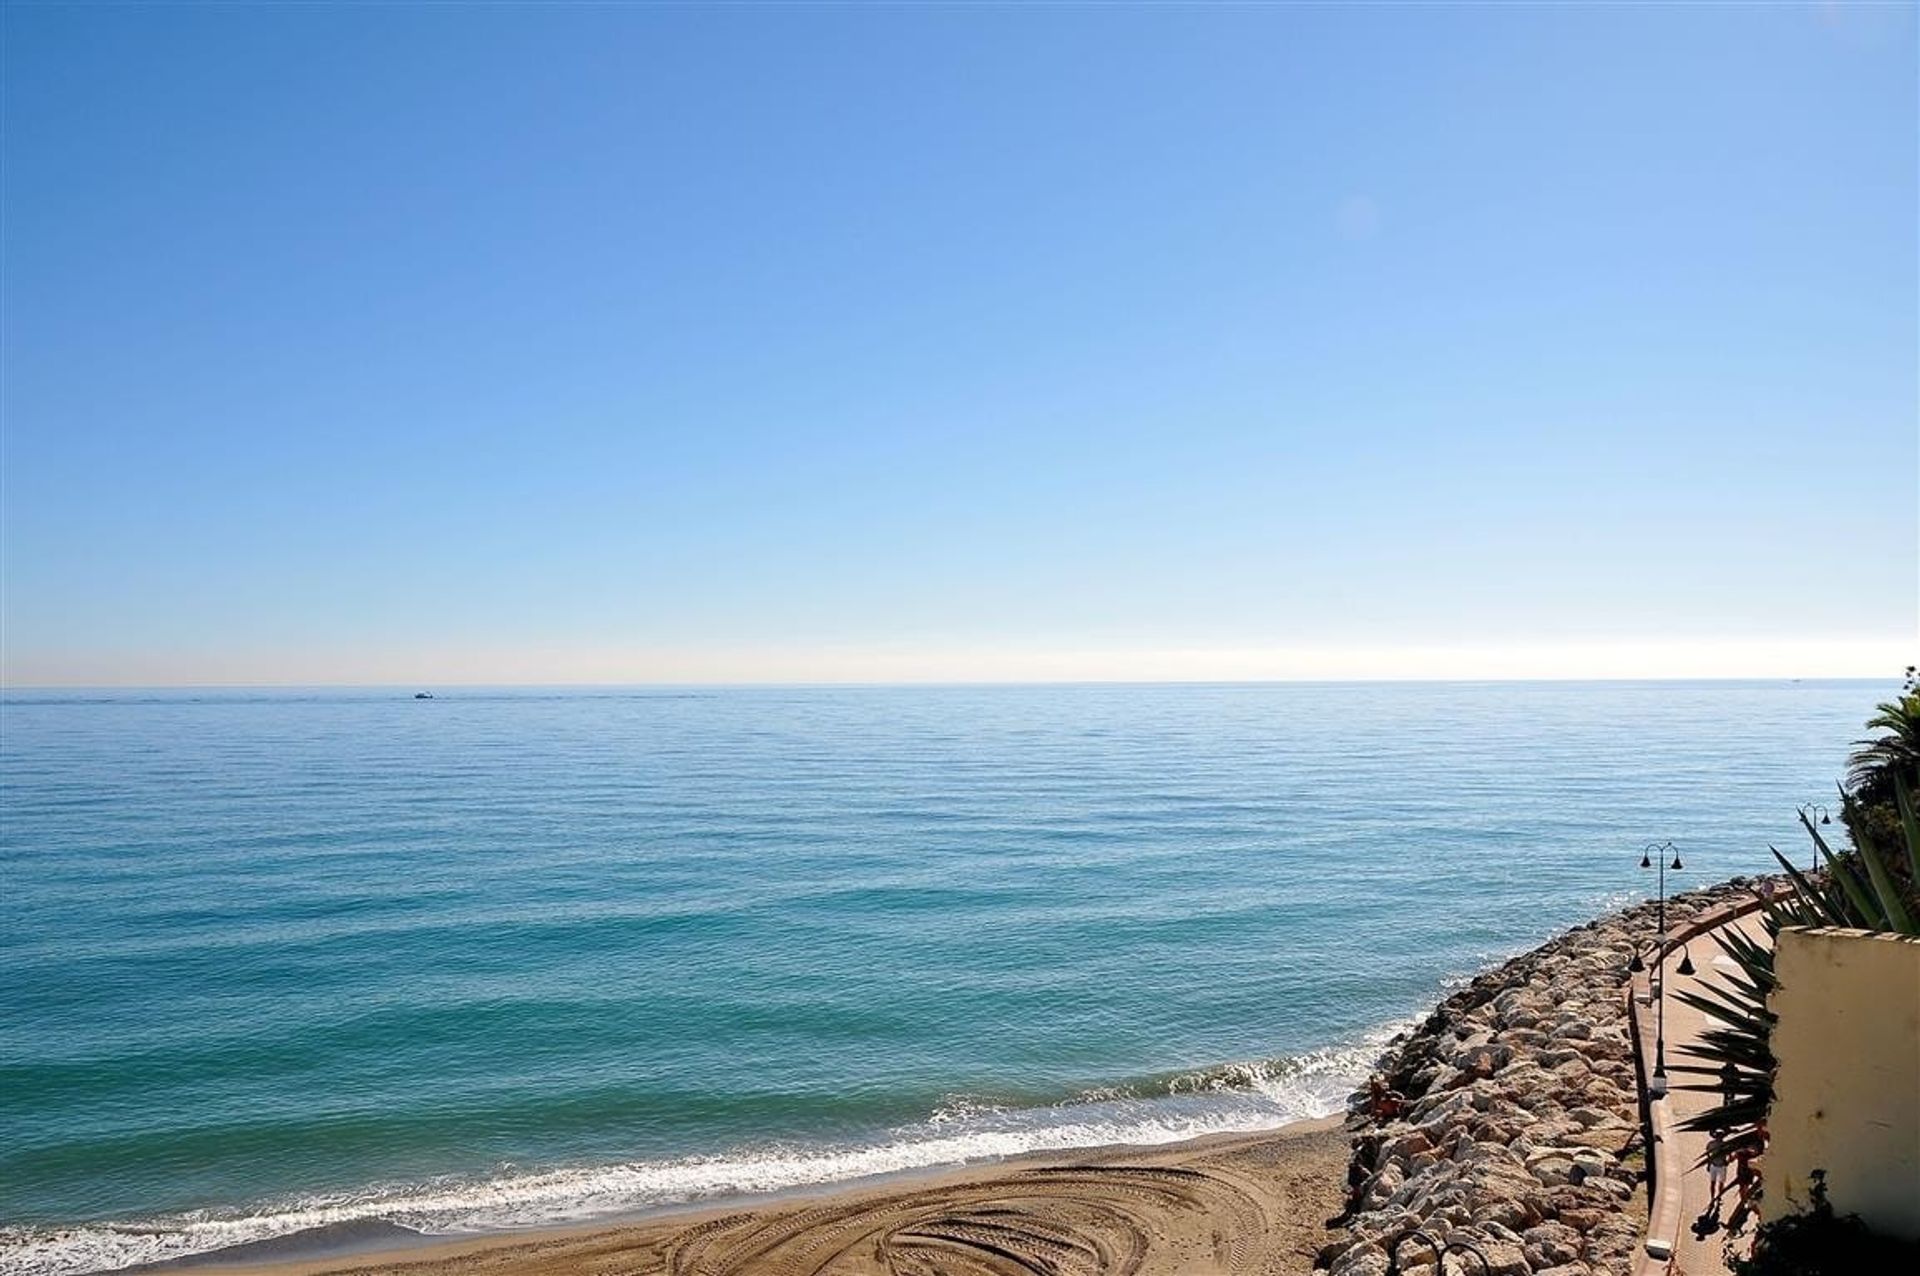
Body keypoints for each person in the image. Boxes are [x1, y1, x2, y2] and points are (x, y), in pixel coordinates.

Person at [1706, 1134, 1730, 1204]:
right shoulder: (1711, 1144)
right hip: (1714, 1165)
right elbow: (1708, 1154)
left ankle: (1719, 1197)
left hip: (1721, 1166)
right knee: (1713, 1183)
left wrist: (1727, 1161)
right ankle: (1712, 1198)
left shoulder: (1725, 1144)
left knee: (1720, 1183)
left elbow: (1730, 1155)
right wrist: (1709, 1164)